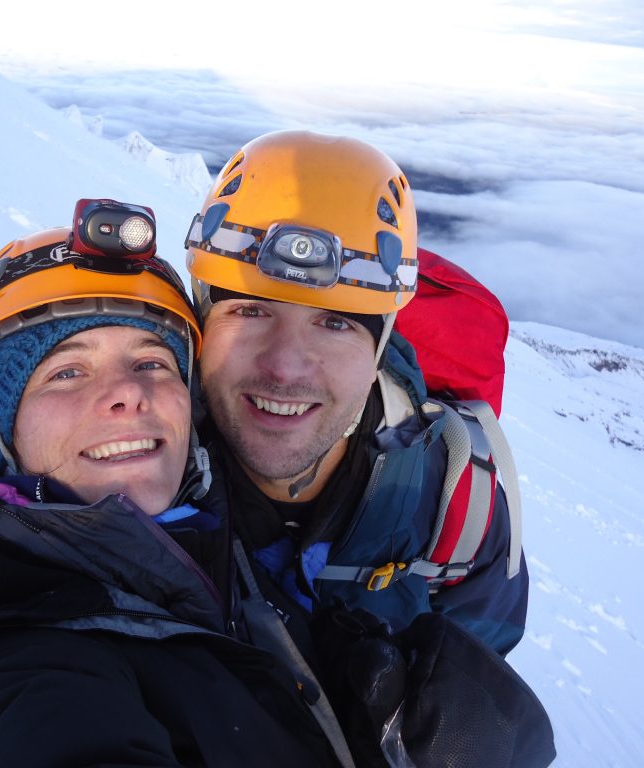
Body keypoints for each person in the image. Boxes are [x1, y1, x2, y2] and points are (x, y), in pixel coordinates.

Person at [0, 200, 343, 767]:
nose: (128, 392)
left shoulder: (218, 544)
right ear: (1, 429)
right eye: (67, 372)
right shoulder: (5, 660)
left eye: (152, 363)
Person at [184, 130, 529, 656]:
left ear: (379, 352)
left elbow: (481, 659)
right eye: (250, 311)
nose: (284, 367)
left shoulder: (455, 502)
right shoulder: (130, 470)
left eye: (336, 323)